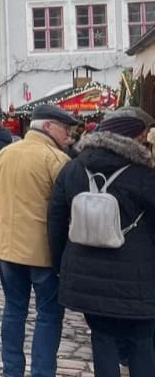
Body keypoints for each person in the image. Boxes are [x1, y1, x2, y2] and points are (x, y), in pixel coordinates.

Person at [47, 107, 155, 377]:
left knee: (102, 339)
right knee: (141, 343)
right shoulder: (144, 173)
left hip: (85, 272)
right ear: (134, 137)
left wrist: (60, 263)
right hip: (138, 275)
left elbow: (56, 219)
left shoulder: (72, 167)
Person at [0, 103, 77, 377]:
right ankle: (42, 372)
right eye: (65, 130)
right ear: (48, 126)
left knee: (14, 310)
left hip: (8, 249)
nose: (69, 137)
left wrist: (7, 226)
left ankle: (12, 370)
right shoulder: (57, 160)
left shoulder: (5, 153)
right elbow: (68, 209)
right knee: (48, 315)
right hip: (44, 252)